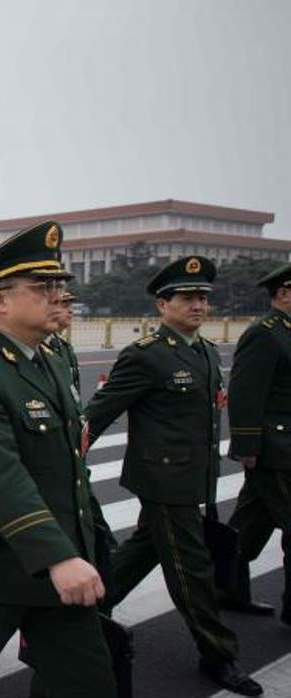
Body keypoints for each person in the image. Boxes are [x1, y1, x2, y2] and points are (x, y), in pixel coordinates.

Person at [0, 221, 114, 698]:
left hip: (59, 562)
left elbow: (67, 468)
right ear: (1, 300)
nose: (58, 296)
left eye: (59, 286)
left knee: (87, 683)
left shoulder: (48, 358)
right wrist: (58, 556)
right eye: (43, 287)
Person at [85, 256, 261, 696]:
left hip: (192, 478)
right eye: (187, 298)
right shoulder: (146, 356)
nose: (198, 305)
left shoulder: (203, 350)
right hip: (163, 482)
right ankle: (219, 655)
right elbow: (99, 412)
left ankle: (80, 613)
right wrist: (70, 454)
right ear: (163, 305)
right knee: (192, 571)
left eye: (203, 297)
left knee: (143, 550)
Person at [228, 260, 291, 624]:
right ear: (283, 292)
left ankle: (225, 585)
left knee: (248, 526)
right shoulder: (265, 332)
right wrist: (248, 447)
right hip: (275, 449)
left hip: (284, 449)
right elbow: (246, 394)